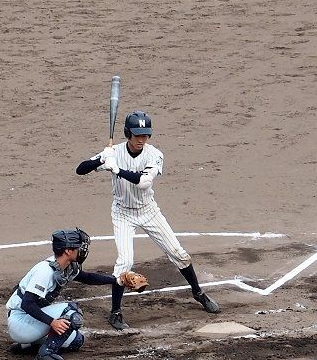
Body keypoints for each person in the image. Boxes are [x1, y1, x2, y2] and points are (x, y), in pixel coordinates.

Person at [76, 110, 220, 331]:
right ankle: (115, 312)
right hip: (123, 213)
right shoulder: (114, 152)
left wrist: (117, 169)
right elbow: (80, 170)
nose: (142, 140)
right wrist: (101, 159)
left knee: (178, 253)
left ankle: (198, 292)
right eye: (137, 135)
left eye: (145, 135)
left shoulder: (154, 154)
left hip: (148, 210)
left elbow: (144, 182)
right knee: (124, 263)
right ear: (128, 133)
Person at [5, 228, 122, 360]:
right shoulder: (45, 271)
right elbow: (27, 304)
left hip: (30, 322)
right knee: (71, 312)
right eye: (79, 247)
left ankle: (27, 346)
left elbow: (86, 277)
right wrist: (52, 322)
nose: (83, 250)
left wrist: (117, 280)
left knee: (76, 341)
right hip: (20, 322)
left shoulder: (65, 266)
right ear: (68, 251)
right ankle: (45, 355)